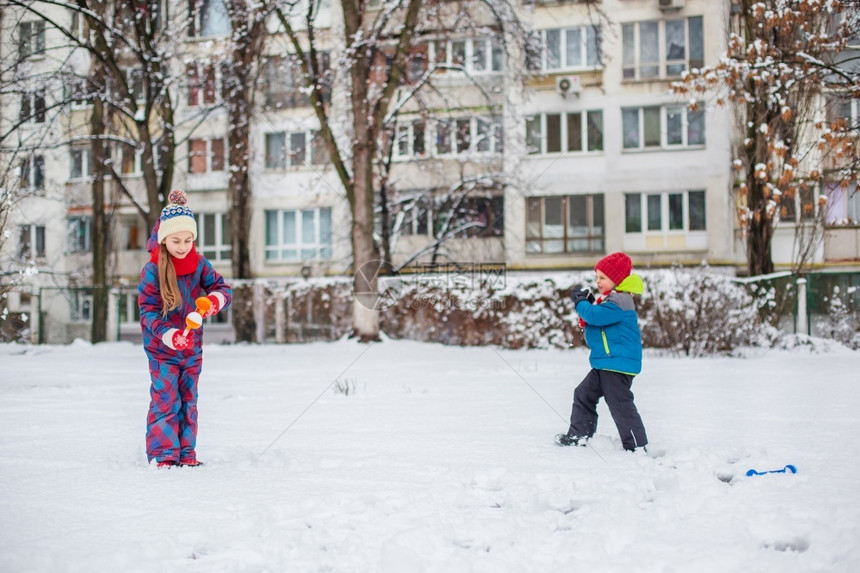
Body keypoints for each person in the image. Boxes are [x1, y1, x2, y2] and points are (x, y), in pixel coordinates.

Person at [138, 190, 231, 468]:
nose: (183, 246)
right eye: (176, 240)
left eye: (189, 240)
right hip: (162, 349)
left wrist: (214, 301)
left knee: (189, 399)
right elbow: (148, 312)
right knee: (166, 398)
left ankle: (186, 452)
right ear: (164, 239)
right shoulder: (153, 270)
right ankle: (164, 454)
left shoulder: (200, 265)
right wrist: (169, 334)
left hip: (192, 348)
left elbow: (222, 289)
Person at [556, 252, 648, 452]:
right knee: (583, 394)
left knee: (619, 403)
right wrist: (589, 304)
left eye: (603, 277)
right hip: (605, 363)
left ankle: (637, 446)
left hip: (618, 364)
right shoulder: (609, 301)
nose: (598, 281)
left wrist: (582, 303)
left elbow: (594, 317)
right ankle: (578, 436)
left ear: (617, 280)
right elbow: (593, 320)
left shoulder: (620, 301)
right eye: (597, 277)